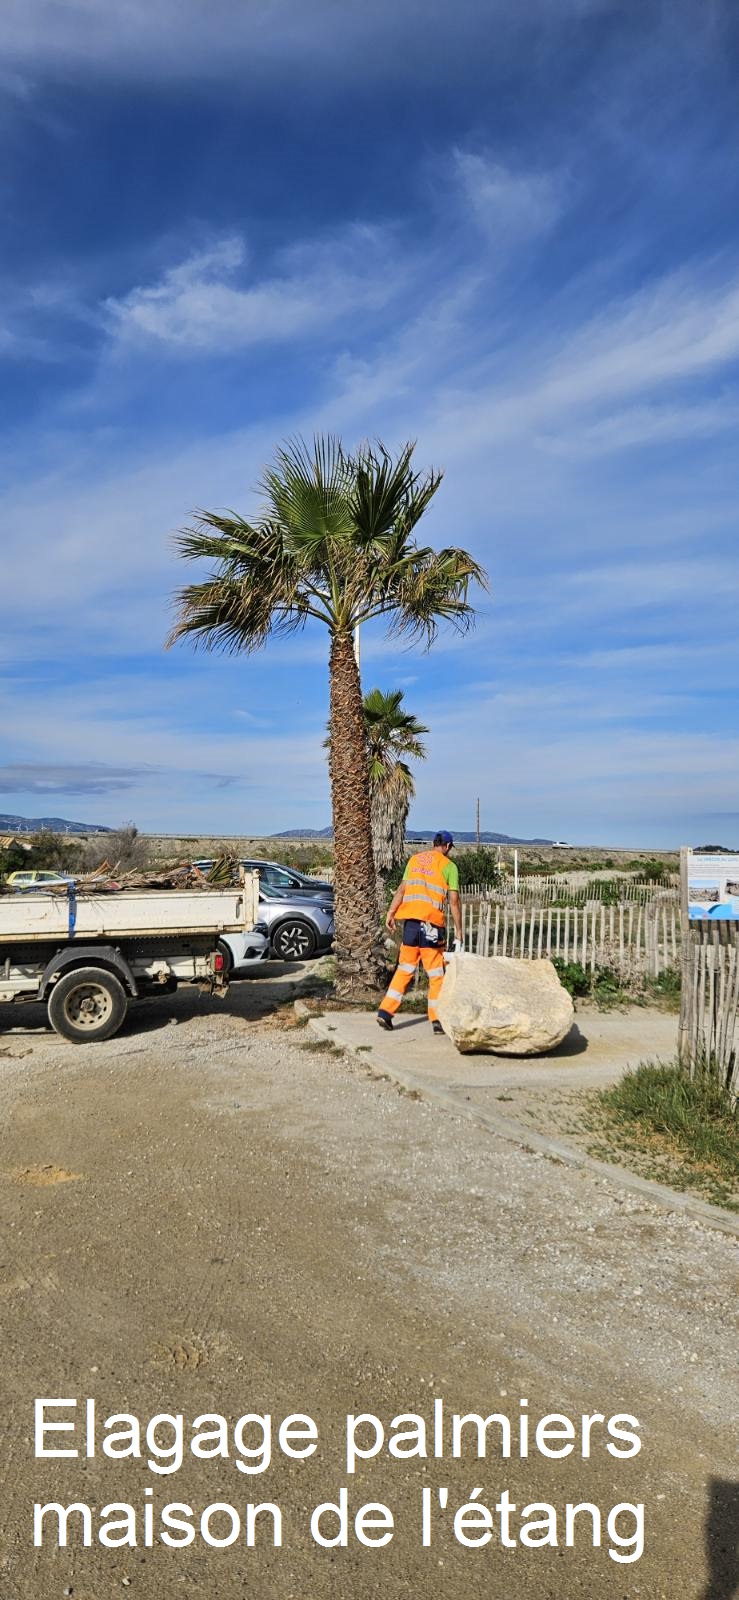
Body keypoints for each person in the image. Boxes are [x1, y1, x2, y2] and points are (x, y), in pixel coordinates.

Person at [377, 831, 463, 1034]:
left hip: (411, 925)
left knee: (404, 969)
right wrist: (459, 931)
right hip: (431, 925)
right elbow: (453, 901)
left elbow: (401, 889)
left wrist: (391, 912)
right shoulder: (449, 866)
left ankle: (385, 1013)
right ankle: (437, 1020)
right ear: (448, 846)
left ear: (434, 844)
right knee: (435, 974)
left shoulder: (414, 860)